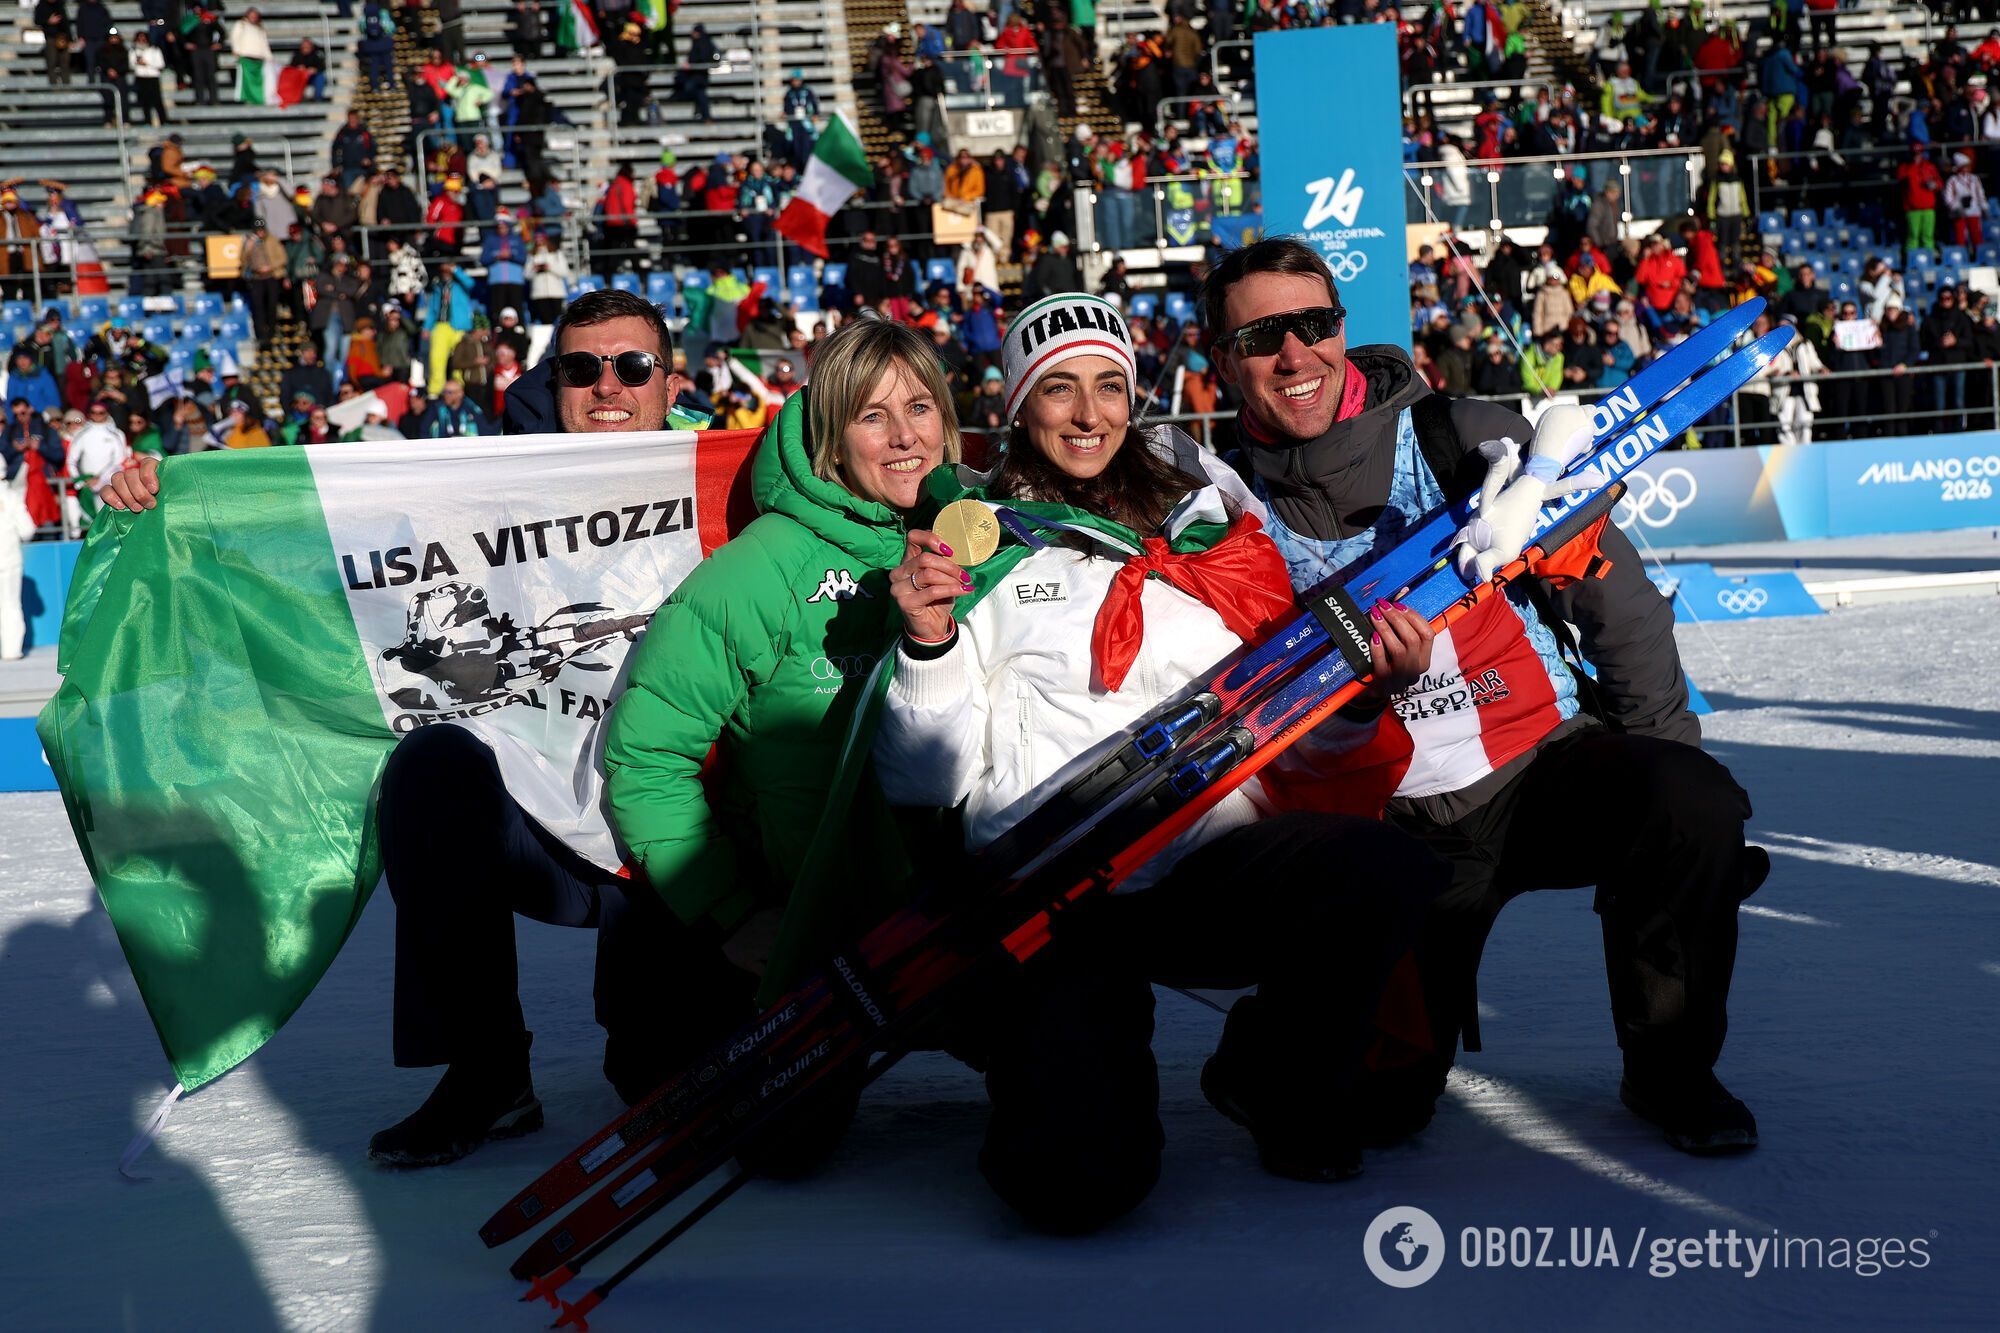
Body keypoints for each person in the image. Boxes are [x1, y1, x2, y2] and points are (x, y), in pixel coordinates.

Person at [867, 293, 1445, 1227]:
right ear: (1018, 405)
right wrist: (928, 642)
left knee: (1381, 869)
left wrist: (1369, 689)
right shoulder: (975, 546)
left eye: (1108, 386)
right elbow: (924, 781)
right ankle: (1056, 1069)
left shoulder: (1212, 534)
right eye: (1058, 389)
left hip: (1203, 869)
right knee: (1072, 1189)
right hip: (1057, 894)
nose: (1089, 414)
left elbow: (1291, 725)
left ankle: (1274, 1081)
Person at [102, 291, 712, 1165]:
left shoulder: (728, 477)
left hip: (671, 832)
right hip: (537, 824)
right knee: (429, 763)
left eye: (631, 366)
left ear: (671, 380)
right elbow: (316, 543)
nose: (606, 384)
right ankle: (487, 1068)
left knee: (656, 1076)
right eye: (582, 367)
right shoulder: (476, 494)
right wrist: (173, 495)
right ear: (554, 380)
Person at [1198, 236, 1766, 1154]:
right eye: (1262, 337)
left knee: (1684, 799)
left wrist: (1674, 785)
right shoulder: (1224, 509)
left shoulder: (1462, 437)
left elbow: (1616, 609)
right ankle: (1269, 1050)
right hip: (1390, 829)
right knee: (1380, 1113)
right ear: (1220, 360)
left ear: (1343, 332)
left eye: (1313, 325)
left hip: (1543, 769)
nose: (1293, 354)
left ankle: (1674, 1070)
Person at [592, 316, 965, 1180]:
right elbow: (647, 757)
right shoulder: (763, 570)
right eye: (872, 417)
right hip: (800, 933)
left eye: (921, 407)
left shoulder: (979, 543)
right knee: (781, 1147)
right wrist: (730, 915)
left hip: (943, 922)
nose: (905, 436)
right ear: (830, 436)